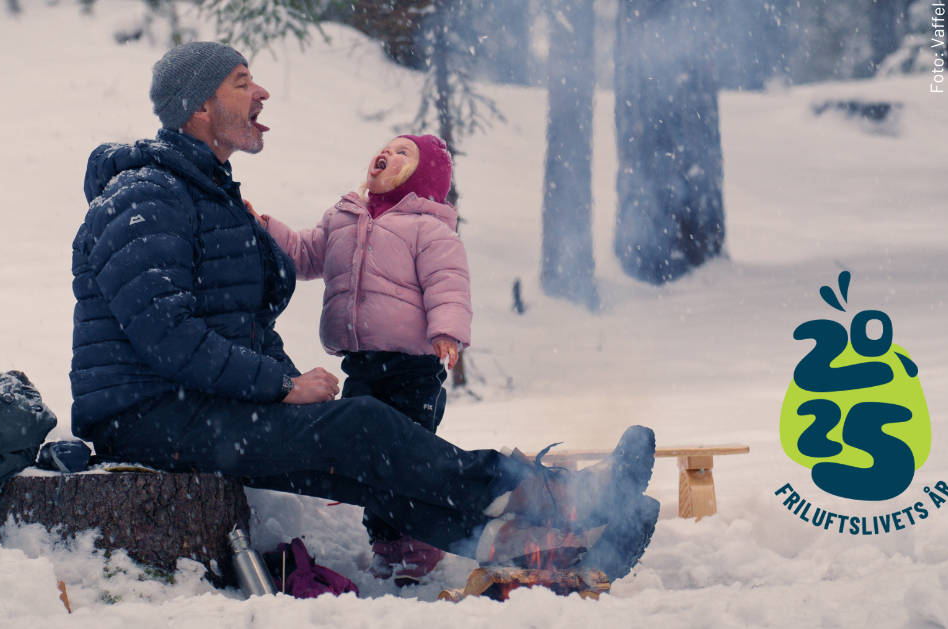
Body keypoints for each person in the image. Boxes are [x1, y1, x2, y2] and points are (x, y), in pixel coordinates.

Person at [69, 41, 659, 579]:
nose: (262, 92)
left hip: (193, 404)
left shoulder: (207, 193)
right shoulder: (146, 196)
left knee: (361, 454)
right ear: (199, 108)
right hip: (144, 415)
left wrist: (287, 382)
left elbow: (240, 324)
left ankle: (540, 551)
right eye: (243, 81)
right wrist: (280, 385)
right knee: (364, 427)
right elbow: (166, 334)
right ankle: (560, 498)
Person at [252, 133, 469, 584]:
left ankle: (419, 544)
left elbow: (448, 283)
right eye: (386, 147)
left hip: (412, 369)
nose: (387, 153)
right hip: (363, 367)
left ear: (424, 177)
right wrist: (266, 227)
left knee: (408, 458)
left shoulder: (429, 229)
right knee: (369, 459)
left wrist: (447, 331)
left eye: (404, 153)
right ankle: (386, 543)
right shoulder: (344, 217)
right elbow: (307, 253)